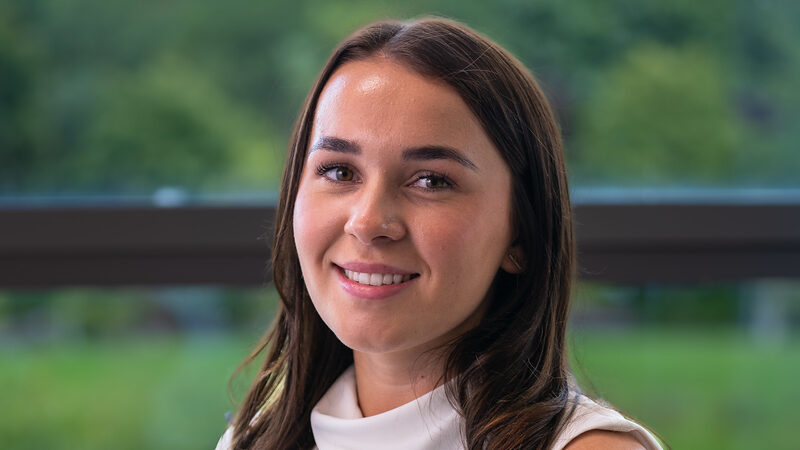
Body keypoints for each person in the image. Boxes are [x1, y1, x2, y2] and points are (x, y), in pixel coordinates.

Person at [216, 17, 662, 450]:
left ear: (521, 236)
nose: (368, 222)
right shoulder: (250, 442)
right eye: (338, 170)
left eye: (431, 180)